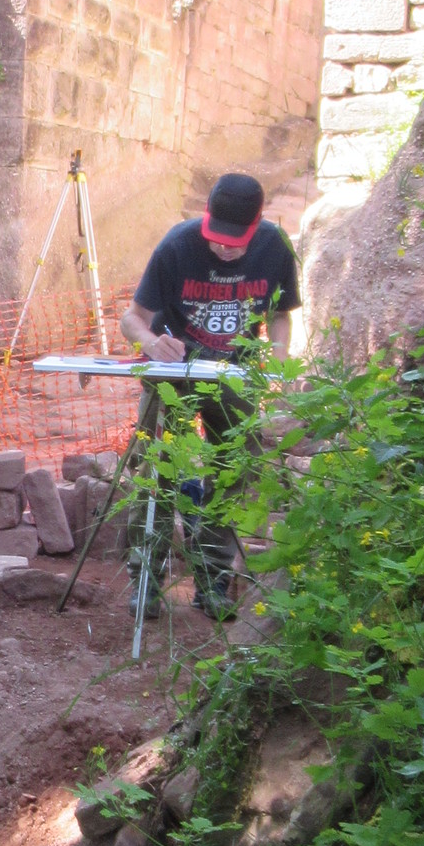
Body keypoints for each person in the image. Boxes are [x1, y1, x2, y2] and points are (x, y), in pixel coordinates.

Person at [117, 172, 300, 616]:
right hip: (172, 374)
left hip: (234, 376)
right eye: (217, 239)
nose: (223, 249)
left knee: (233, 472)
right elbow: (131, 318)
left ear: (256, 226)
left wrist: (278, 358)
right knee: (156, 470)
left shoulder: (275, 247)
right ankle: (146, 579)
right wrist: (150, 343)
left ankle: (213, 580)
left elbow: (280, 315)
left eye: (234, 243)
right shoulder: (177, 246)